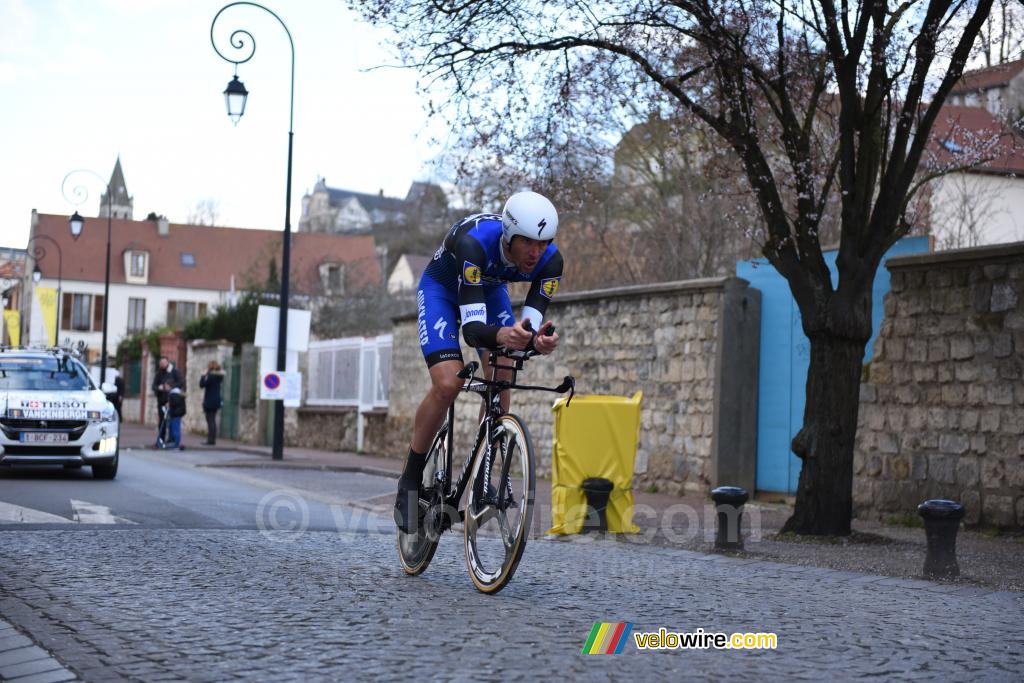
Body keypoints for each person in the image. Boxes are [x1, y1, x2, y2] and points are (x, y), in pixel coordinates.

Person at [394, 190, 563, 532]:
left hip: (487, 291)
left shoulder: (551, 262)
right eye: (529, 243)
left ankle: (485, 468)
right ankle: (410, 477)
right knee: (449, 382)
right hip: (443, 290)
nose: (537, 252)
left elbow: (528, 327)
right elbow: (473, 331)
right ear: (509, 235)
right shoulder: (475, 244)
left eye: (544, 243)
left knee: (504, 368)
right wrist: (503, 336)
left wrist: (537, 340)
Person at [152, 357, 182, 443]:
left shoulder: (174, 371)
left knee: (171, 420)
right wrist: (159, 388)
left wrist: (170, 387)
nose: (162, 365)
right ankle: (161, 438)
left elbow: (180, 382)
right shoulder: (159, 373)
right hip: (161, 399)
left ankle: (171, 439)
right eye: (161, 363)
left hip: (172, 400)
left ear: (167, 362)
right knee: (162, 420)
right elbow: (153, 385)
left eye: (164, 363)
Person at [199, 360, 225, 445]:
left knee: (210, 420)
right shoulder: (219, 377)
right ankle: (212, 439)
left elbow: (202, 385)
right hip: (216, 400)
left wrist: (203, 376)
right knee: (212, 419)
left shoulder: (211, 376)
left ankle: (210, 440)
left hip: (209, 400)